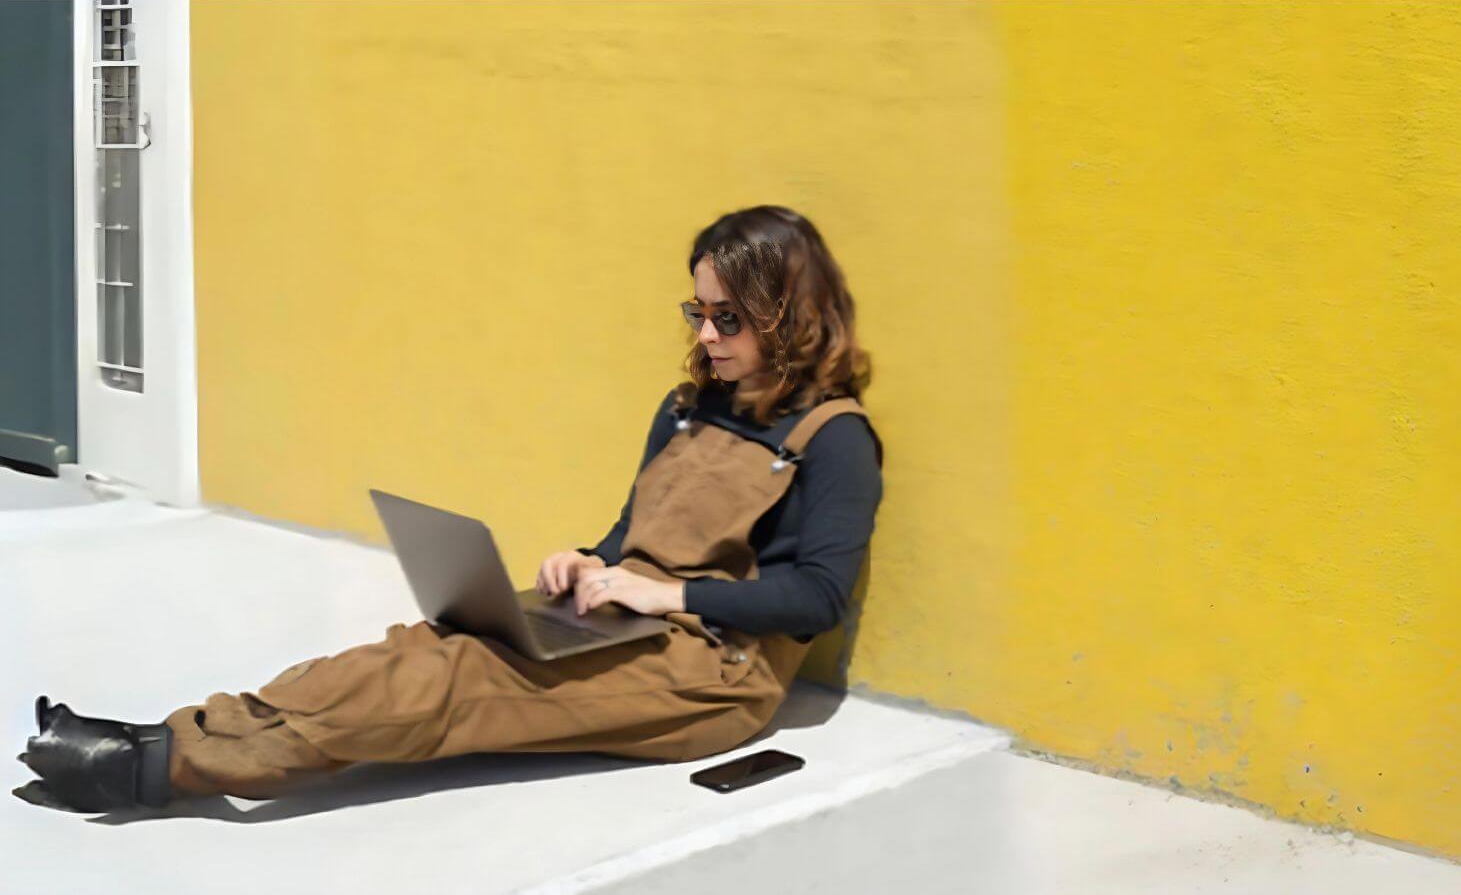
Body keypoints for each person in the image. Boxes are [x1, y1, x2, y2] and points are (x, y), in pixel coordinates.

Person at [15, 205, 884, 813]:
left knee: (454, 683)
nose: (705, 335)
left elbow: (818, 599)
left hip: (713, 675)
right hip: (624, 617)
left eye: (727, 317)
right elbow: (634, 533)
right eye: (698, 310)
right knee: (427, 647)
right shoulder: (688, 404)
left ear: (786, 315)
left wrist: (673, 598)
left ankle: (152, 767)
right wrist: (588, 560)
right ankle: (185, 732)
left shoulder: (834, 437)